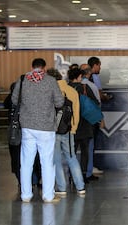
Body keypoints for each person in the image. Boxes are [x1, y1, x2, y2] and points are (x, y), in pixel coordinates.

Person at [11, 58, 64, 203]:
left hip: (27, 126)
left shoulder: (22, 80)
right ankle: (48, 196)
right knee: (47, 162)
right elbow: (60, 102)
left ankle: (26, 195)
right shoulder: (50, 81)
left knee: (26, 162)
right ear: (44, 68)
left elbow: (14, 100)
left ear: (32, 67)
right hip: (46, 127)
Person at [47, 68, 86, 197]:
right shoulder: (72, 91)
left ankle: (62, 188)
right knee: (71, 158)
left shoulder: (50, 91)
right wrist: (73, 128)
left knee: (56, 160)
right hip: (68, 131)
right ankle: (80, 187)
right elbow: (76, 112)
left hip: (53, 131)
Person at [4, 80, 43, 192]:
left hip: (15, 133)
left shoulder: (12, 99)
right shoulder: (32, 98)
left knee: (17, 158)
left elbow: (6, 105)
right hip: (29, 131)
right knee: (33, 157)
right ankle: (34, 180)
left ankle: (24, 182)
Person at [68, 68, 99, 183]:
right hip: (85, 124)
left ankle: (72, 175)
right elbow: (95, 103)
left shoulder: (67, 88)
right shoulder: (85, 88)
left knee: (72, 151)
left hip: (71, 124)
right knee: (85, 151)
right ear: (80, 76)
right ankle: (83, 175)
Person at [79, 63, 103, 182]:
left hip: (76, 121)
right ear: (88, 73)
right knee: (89, 147)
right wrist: (100, 119)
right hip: (89, 121)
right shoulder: (91, 86)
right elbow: (97, 104)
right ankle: (87, 172)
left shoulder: (72, 85)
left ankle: (76, 174)